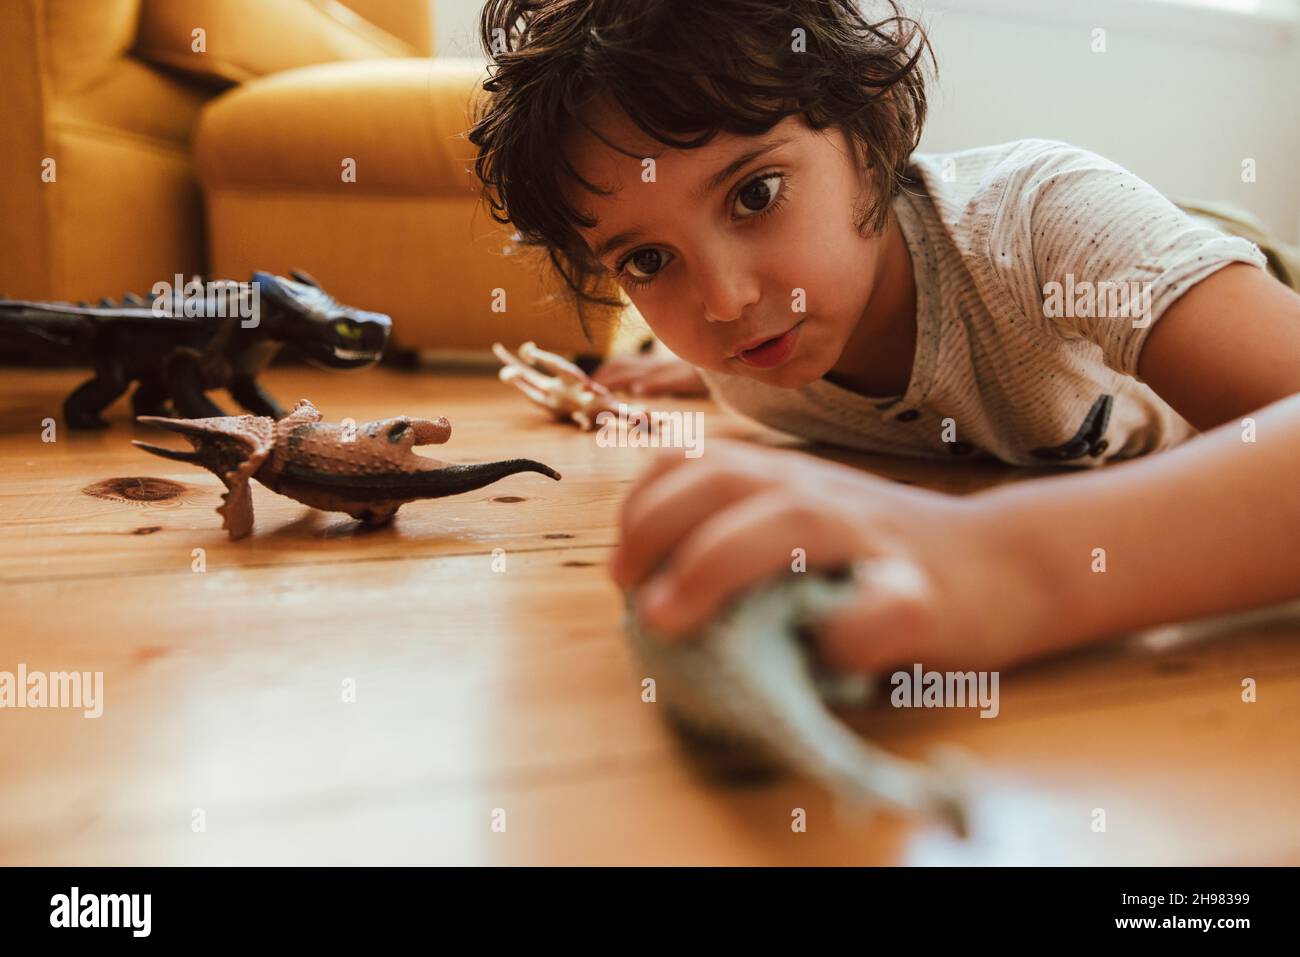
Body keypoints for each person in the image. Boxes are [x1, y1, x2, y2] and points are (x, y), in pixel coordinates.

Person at [468, 0, 1300, 670]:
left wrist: (997, 565)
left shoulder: (1047, 226)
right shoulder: (742, 354)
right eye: (649, 259)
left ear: (871, 129)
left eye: (755, 196)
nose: (724, 302)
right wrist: (687, 372)